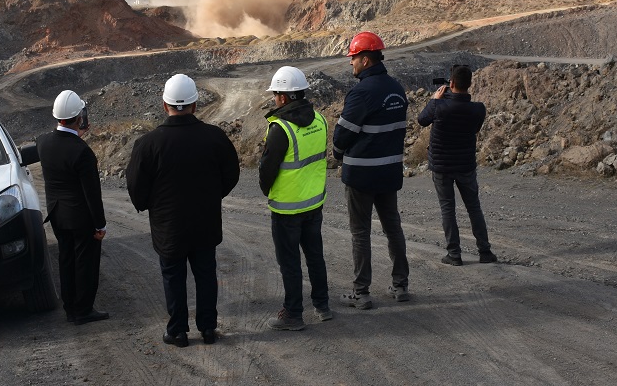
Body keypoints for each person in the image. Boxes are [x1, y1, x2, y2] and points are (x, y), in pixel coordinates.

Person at [127, 74, 240, 347]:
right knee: (205, 274)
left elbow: (136, 186)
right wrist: (213, 196)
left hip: (169, 227)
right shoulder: (214, 137)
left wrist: (150, 205)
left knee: (173, 276)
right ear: (195, 104)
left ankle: (177, 331)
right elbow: (231, 174)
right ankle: (208, 328)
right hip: (205, 222)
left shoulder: (148, 144)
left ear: (164, 105)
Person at [332, 31, 411, 309]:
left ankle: (361, 292)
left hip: (362, 175)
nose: (350, 63)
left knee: (360, 233)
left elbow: (342, 135)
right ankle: (401, 285)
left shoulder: (361, 92)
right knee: (393, 229)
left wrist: (338, 154)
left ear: (365, 60)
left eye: (353, 58)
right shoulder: (397, 89)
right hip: (389, 173)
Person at [258, 66, 331, 331]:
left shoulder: (280, 129)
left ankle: (293, 314)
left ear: (284, 97)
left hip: (287, 208)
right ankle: (322, 305)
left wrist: (266, 190)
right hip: (313, 203)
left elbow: (267, 168)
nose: (274, 98)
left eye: (275, 94)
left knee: (289, 262)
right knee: (315, 256)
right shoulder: (320, 120)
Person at [35, 90, 109, 325]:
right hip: (80, 218)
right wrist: (100, 225)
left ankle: (70, 309)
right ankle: (83, 310)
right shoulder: (82, 151)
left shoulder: (43, 142)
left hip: (57, 215)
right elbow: (92, 193)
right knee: (85, 264)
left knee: (66, 261)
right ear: (79, 117)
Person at [417, 65, 497, 266]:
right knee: (474, 207)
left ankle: (454, 254)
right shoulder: (478, 109)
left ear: (451, 83)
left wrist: (434, 100)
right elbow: (475, 129)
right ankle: (485, 252)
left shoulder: (438, 106)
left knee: (448, 209)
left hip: (442, 166)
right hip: (465, 165)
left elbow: (422, 120)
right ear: (469, 84)